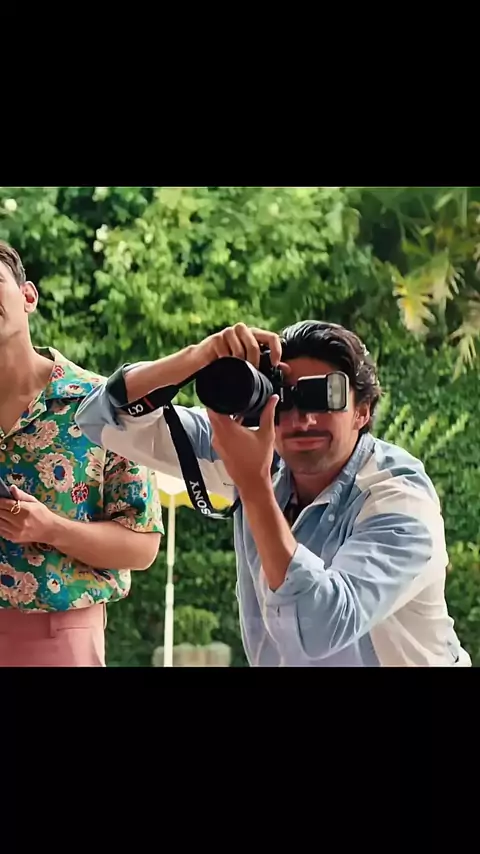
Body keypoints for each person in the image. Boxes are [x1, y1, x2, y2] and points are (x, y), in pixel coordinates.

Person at [76, 320, 470, 667]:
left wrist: (254, 486)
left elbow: (322, 625)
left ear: (362, 411)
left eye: (326, 394)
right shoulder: (257, 455)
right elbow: (98, 416)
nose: (303, 418)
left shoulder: (398, 499)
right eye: (283, 397)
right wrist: (198, 357)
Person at [0, 240, 164, 667]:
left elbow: (142, 546)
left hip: (58, 634)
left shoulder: (101, 405)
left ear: (28, 296)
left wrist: (50, 528)